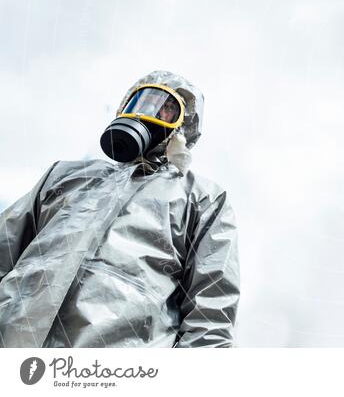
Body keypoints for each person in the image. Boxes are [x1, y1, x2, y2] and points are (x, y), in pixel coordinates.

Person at [0, 71, 240, 348]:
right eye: (141, 102)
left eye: (168, 108)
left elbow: (210, 314)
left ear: (181, 127)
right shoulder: (65, 176)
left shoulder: (200, 198)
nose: (149, 113)